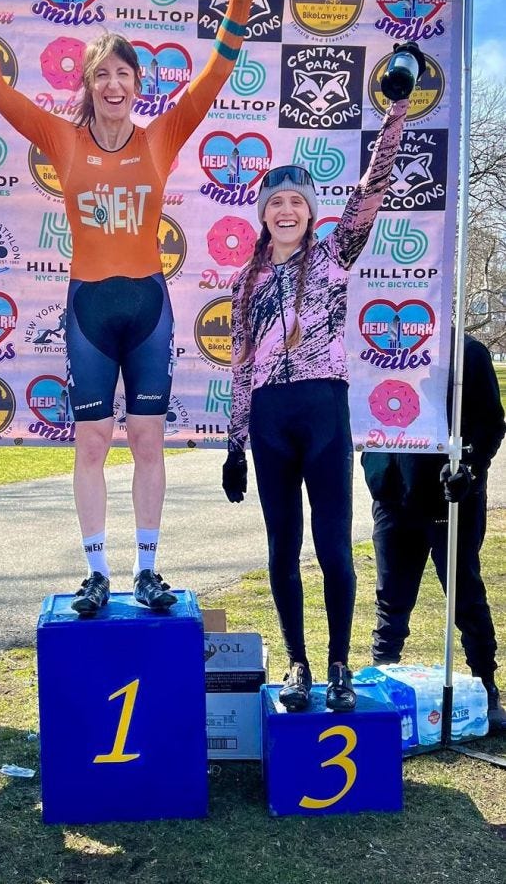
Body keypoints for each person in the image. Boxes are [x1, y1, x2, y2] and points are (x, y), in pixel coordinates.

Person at [0, 0, 282, 615]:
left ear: (137, 82)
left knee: (147, 438)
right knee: (94, 438)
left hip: (149, 306)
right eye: (101, 74)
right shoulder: (61, 140)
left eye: (122, 73)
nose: (112, 83)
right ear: (88, 84)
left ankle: (148, 570)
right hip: (89, 308)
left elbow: (218, 71)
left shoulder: (161, 136)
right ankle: (96, 570)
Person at [222, 57, 421, 712]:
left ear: (310, 213)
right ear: (262, 214)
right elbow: (240, 364)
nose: (285, 210)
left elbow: (372, 186)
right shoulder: (244, 281)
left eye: (295, 202)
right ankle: (299, 664)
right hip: (269, 422)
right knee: (281, 548)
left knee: (333, 546)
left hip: (324, 411)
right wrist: (232, 444)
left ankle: (338, 663)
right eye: (274, 202)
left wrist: (393, 111)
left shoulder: (335, 255)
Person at [361, 333, 506, 732]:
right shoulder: (373, 347)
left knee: (466, 598)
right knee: (391, 600)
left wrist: (471, 466)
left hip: (451, 499)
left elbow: (492, 424)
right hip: (393, 495)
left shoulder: (468, 352)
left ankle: (487, 687)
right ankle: (380, 685)